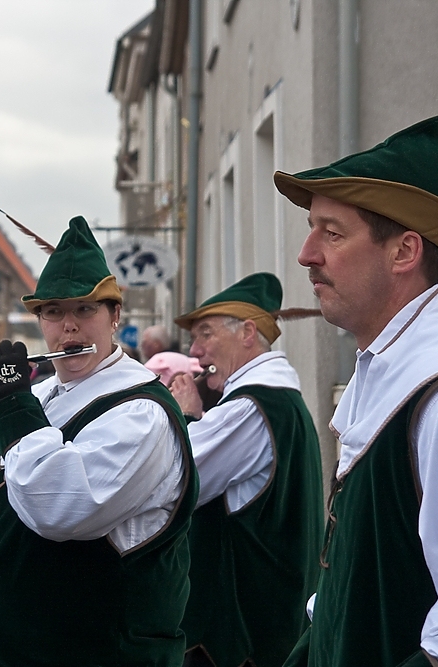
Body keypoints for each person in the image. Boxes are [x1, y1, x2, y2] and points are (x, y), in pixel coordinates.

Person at [274, 109, 438, 667]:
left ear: (404, 252)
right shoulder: (389, 363)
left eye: (332, 233)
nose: (307, 254)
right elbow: (355, 578)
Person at [0, 216, 198, 667]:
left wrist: (11, 404)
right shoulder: (44, 397)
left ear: (115, 317)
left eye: (85, 310)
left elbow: (59, 510)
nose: (68, 327)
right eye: (53, 312)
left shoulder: (142, 412)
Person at [168, 272, 323, 667]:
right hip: (271, 624)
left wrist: (184, 417)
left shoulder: (250, 407)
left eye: (205, 334)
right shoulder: (279, 400)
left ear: (248, 333)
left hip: (239, 640)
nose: (195, 350)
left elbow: (174, 479)